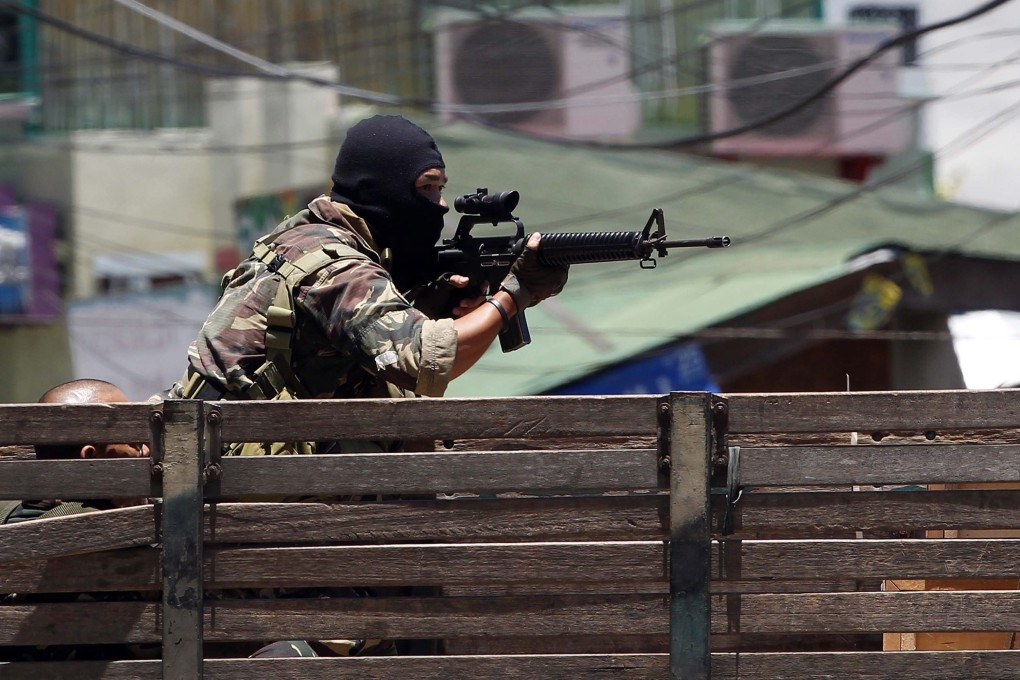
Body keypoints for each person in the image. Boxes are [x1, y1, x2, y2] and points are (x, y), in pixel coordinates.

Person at [170, 114, 568, 428]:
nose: (442, 205)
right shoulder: (337, 267)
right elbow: (428, 363)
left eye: (441, 188)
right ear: (383, 188)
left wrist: (431, 307)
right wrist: (517, 293)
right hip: (238, 484)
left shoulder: (301, 239)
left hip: (230, 457)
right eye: (427, 188)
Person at [1, 378, 149, 524]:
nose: (146, 450)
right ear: (90, 457)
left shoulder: (11, 511)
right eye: (134, 443)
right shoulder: (107, 527)